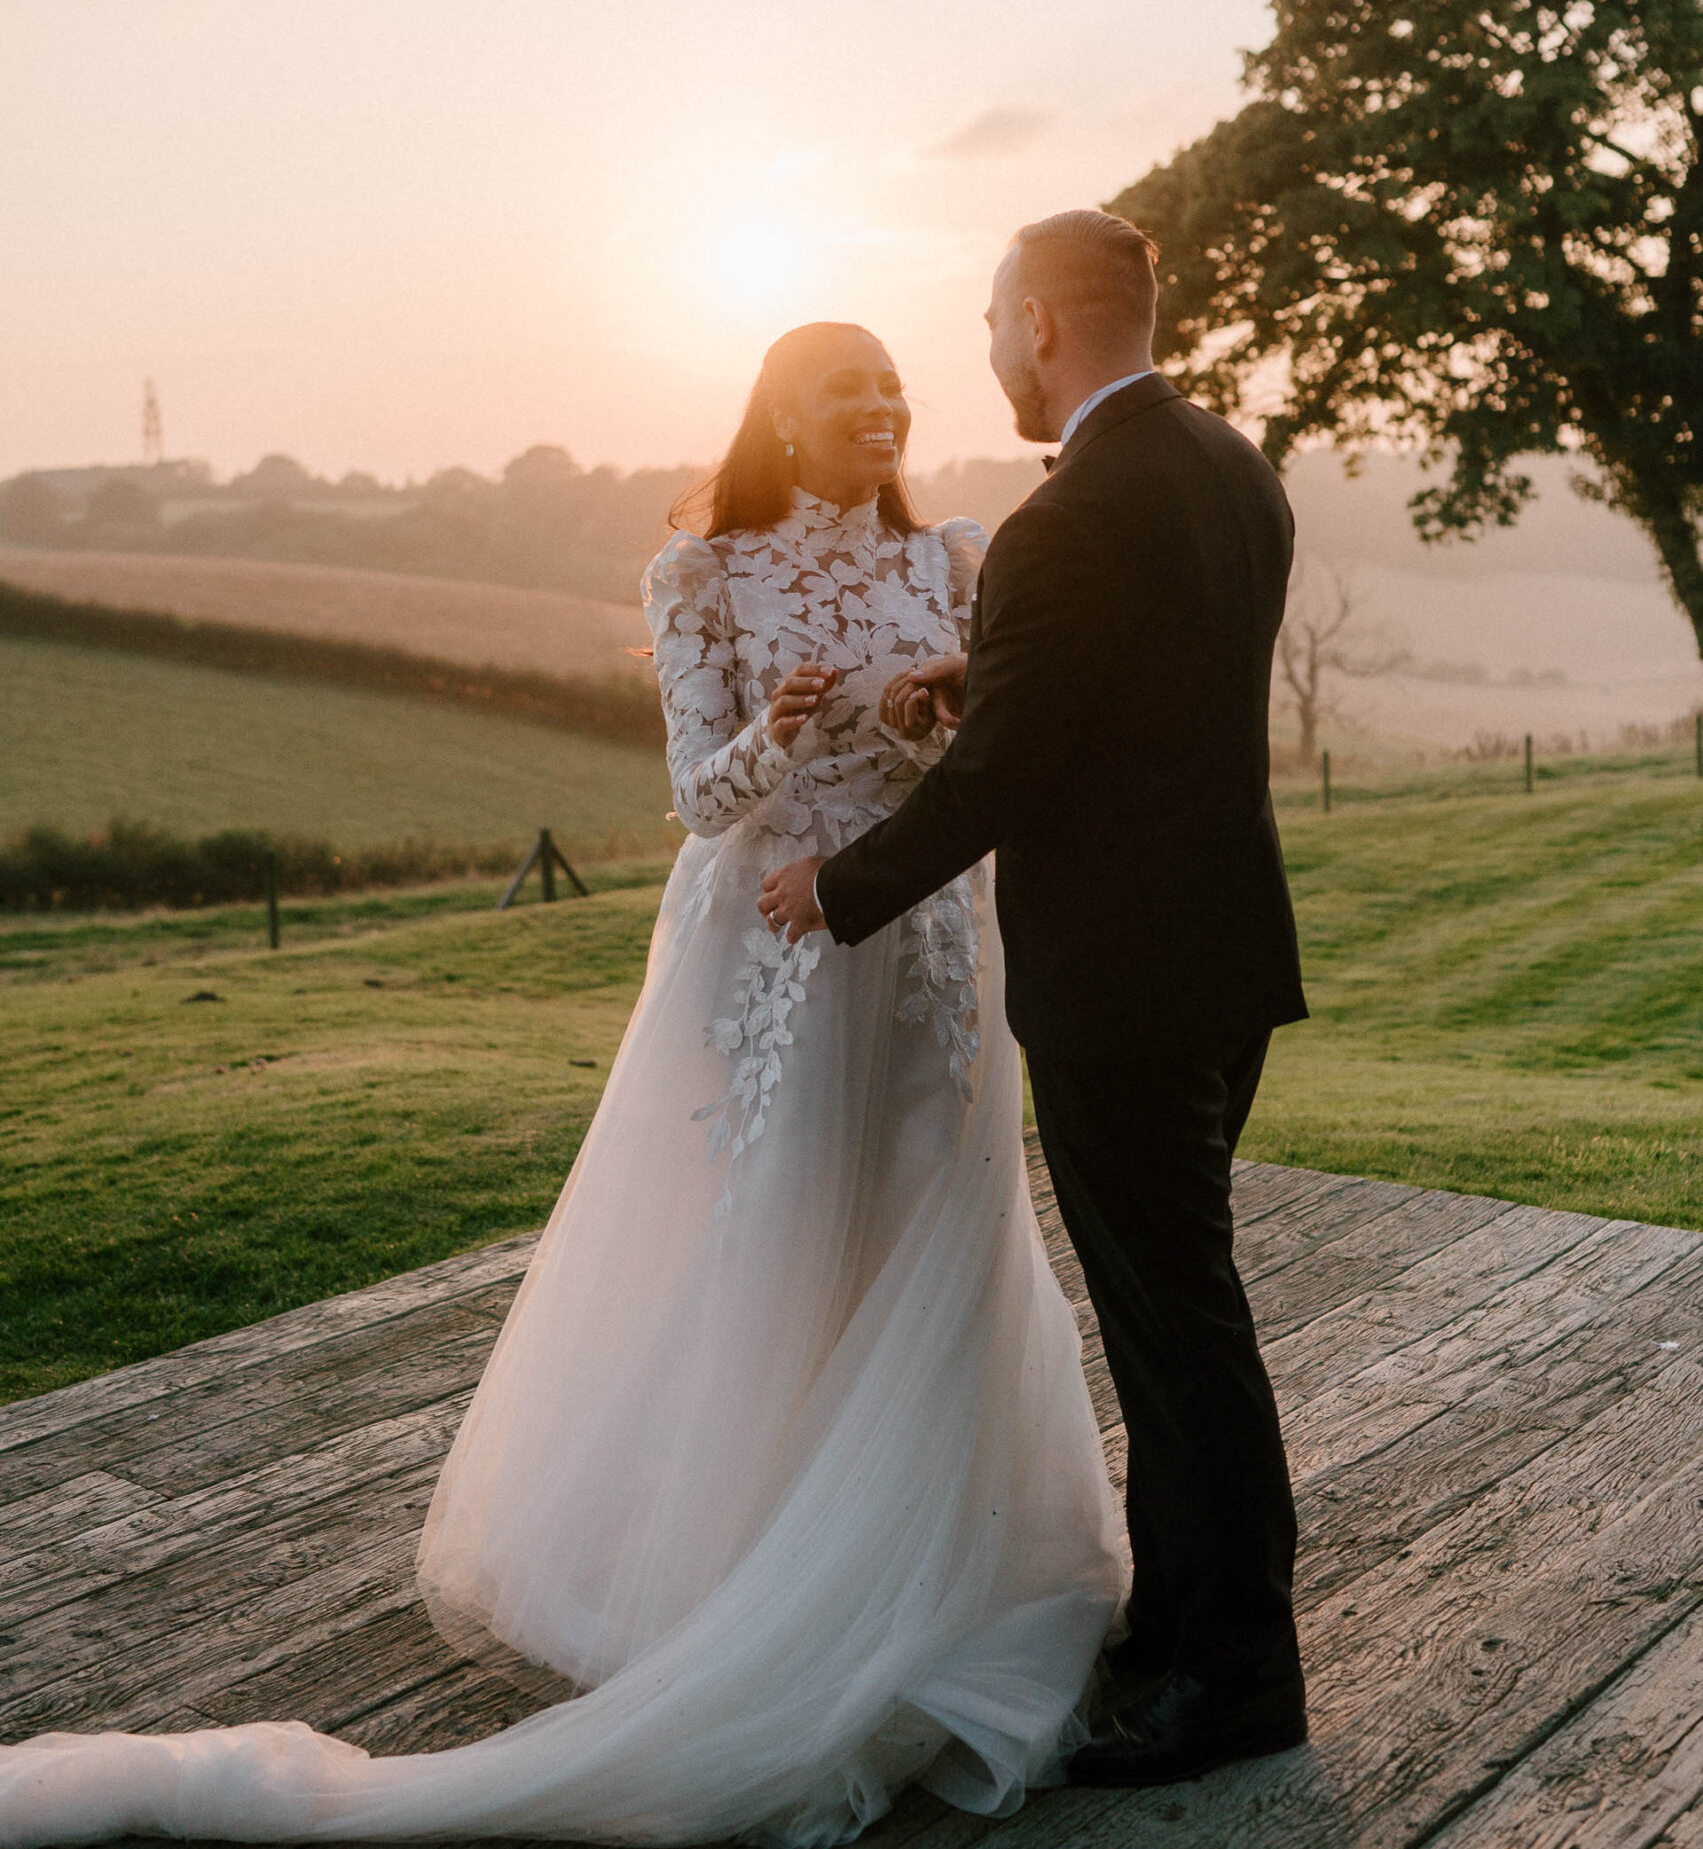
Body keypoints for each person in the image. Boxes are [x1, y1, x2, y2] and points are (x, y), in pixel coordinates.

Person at [0, 321, 1120, 1849]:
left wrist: (925, 725)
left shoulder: (957, 556)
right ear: (784, 420)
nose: (880, 407)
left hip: (925, 941)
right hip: (773, 944)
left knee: (935, 1222)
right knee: (781, 1225)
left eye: (889, 386)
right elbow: (698, 797)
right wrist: (774, 736)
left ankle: (939, 1568)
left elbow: (972, 760)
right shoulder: (703, 572)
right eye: (844, 392)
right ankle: (743, 1575)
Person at [759, 213, 1310, 1792]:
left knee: (1180, 1333)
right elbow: (1132, 698)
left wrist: (838, 885)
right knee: (1172, 1312)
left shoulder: (1066, 517)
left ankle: (1240, 1681)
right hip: (1223, 959)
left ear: (1047, 324)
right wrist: (982, 671)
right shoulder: (1232, 467)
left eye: (996, 321)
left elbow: (1001, 779)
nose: (992, 350)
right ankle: (1179, 1628)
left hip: (1120, 986)